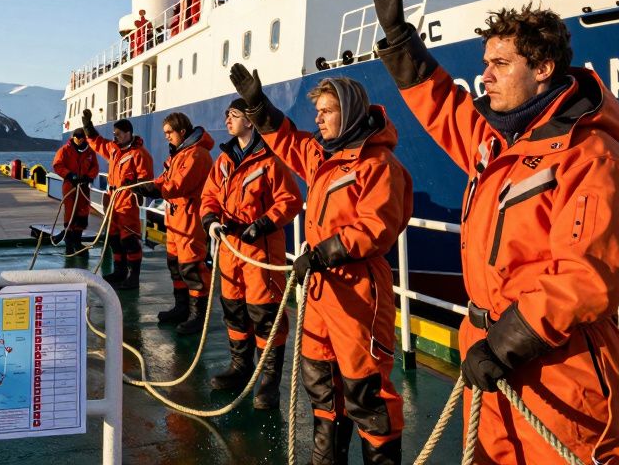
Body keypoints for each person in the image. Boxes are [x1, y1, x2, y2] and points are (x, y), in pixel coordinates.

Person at [368, 0, 619, 464]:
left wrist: (504, 345)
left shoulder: (592, 158)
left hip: (560, 375)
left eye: (500, 64)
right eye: (486, 63)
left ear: (543, 67)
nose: (485, 75)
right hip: (491, 354)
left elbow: (588, 276)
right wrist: (399, 39)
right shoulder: (498, 144)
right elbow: (443, 106)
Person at [230, 64, 412, 465]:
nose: (318, 118)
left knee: (365, 391)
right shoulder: (325, 157)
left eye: (326, 111)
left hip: (358, 289)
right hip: (320, 290)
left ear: (347, 112)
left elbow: (377, 225)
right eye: (318, 111)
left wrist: (325, 251)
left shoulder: (378, 165)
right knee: (320, 380)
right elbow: (290, 141)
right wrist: (259, 107)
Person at [198, 99, 302, 409]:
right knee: (233, 309)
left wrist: (263, 224)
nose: (227, 119)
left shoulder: (271, 160)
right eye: (227, 114)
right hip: (231, 249)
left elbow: (290, 199)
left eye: (233, 114)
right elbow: (209, 196)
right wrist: (211, 220)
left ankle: (269, 379)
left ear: (250, 121)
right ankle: (240, 368)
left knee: (265, 315)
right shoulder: (225, 160)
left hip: (261, 252)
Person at [130, 112, 215, 335]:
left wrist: (154, 189)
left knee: (192, 268)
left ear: (182, 132)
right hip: (176, 221)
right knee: (175, 265)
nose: (166, 137)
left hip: (190, 221)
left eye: (169, 132)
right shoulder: (180, 154)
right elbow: (165, 179)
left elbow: (178, 185)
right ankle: (182, 307)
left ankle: (198, 316)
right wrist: (144, 184)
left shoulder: (197, 155)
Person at [82, 110, 154, 290]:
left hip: (127, 202)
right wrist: (88, 126)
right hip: (112, 201)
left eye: (119, 134)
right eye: (114, 135)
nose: (116, 138)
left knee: (129, 240)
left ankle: (133, 277)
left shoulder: (140, 154)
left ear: (129, 133)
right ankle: (120, 271)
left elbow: (147, 179)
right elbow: (97, 143)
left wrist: (135, 183)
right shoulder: (114, 150)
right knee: (114, 239)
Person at [51, 129, 100, 258]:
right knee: (70, 213)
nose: (79, 140)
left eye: (81, 137)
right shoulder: (64, 150)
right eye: (76, 137)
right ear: (73, 137)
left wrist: (89, 177)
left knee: (83, 213)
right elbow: (57, 165)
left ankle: (77, 242)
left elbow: (95, 167)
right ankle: (69, 245)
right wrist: (69, 174)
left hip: (83, 187)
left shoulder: (89, 152)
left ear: (84, 138)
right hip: (70, 186)